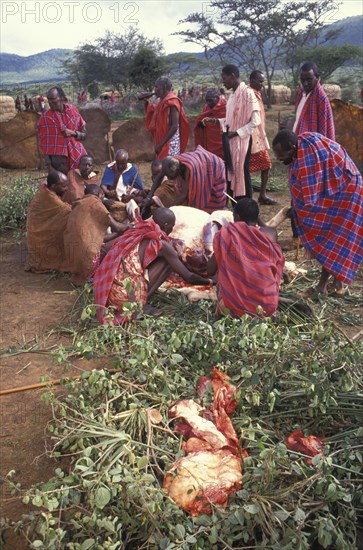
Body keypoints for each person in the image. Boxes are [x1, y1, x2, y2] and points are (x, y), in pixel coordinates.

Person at [272, 130, 363, 296]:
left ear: (292, 147)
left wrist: (297, 212)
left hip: (347, 191)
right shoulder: (303, 142)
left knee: (329, 237)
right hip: (341, 186)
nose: (278, 159)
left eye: (281, 155)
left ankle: (322, 287)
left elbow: (311, 202)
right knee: (335, 239)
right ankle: (337, 284)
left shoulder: (308, 160)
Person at [93, 207, 212, 324]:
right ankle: (140, 304)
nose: (171, 229)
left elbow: (106, 248)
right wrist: (210, 281)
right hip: (125, 299)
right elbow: (188, 276)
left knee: (158, 261)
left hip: (109, 293)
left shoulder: (137, 230)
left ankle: (138, 298)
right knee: (168, 263)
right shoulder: (162, 245)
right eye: (171, 226)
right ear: (165, 225)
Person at [207, 198, 284, 318]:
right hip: (267, 306)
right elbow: (266, 229)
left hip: (236, 309)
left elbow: (210, 270)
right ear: (257, 216)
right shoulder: (270, 234)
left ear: (236, 216)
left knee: (223, 280)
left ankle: (229, 309)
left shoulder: (226, 234)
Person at [203, 64, 260, 200]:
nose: (223, 82)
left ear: (233, 76)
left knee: (242, 174)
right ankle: (237, 206)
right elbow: (231, 120)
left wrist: (235, 133)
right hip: (231, 141)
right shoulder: (233, 95)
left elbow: (255, 121)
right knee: (233, 173)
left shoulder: (247, 93)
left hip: (241, 141)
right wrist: (215, 121)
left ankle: (246, 206)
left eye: (225, 78)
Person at [64, 185, 130, 285]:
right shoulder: (96, 204)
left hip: (73, 262)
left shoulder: (79, 204)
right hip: (89, 263)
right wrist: (129, 226)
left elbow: (98, 238)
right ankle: (98, 273)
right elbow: (118, 227)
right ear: (101, 194)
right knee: (121, 240)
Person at [143, 146, 227, 214]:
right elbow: (159, 177)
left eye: (171, 176)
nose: (168, 179)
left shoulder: (190, 170)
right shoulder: (170, 163)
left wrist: (166, 210)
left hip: (214, 167)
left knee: (202, 204)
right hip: (201, 161)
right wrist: (149, 197)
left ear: (178, 171)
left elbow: (184, 195)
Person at [25, 171, 71, 273]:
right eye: (63, 186)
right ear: (54, 186)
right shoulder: (49, 197)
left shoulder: (45, 190)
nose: (66, 189)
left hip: (39, 233)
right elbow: (68, 211)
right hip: (40, 238)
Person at [38, 86, 87, 174]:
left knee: (85, 183)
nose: (50, 102)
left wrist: (72, 133)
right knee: (63, 186)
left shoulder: (73, 111)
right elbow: (43, 145)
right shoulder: (45, 118)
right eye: (48, 99)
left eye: (53, 99)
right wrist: (49, 166)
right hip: (59, 162)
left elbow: (84, 135)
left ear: (62, 98)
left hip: (78, 156)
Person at [141, 77, 190, 159]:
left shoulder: (173, 101)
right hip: (163, 140)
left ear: (163, 87)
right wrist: (147, 103)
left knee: (169, 166)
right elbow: (157, 112)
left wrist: (161, 144)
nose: (155, 89)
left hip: (170, 142)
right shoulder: (163, 100)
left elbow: (174, 126)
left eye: (156, 87)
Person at [249, 70, 276, 205]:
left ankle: (261, 195)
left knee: (265, 165)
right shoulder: (249, 95)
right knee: (248, 169)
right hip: (251, 137)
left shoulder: (256, 94)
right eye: (260, 81)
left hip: (258, 136)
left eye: (263, 81)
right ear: (252, 80)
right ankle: (250, 197)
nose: (262, 84)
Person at [293, 62, 335, 140]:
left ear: (317, 77)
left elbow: (324, 129)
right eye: (302, 80)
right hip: (298, 138)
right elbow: (297, 117)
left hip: (312, 143)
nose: (305, 83)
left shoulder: (321, 97)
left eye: (309, 80)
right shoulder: (301, 92)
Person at [194, 89, 226, 159]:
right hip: (209, 141)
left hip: (221, 141)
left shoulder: (225, 107)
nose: (208, 103)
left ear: (217, 98)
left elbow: (228, 123)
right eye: (207, 100)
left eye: (210, 100)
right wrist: (200, 123)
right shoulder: (206, 107)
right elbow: (200, 119)